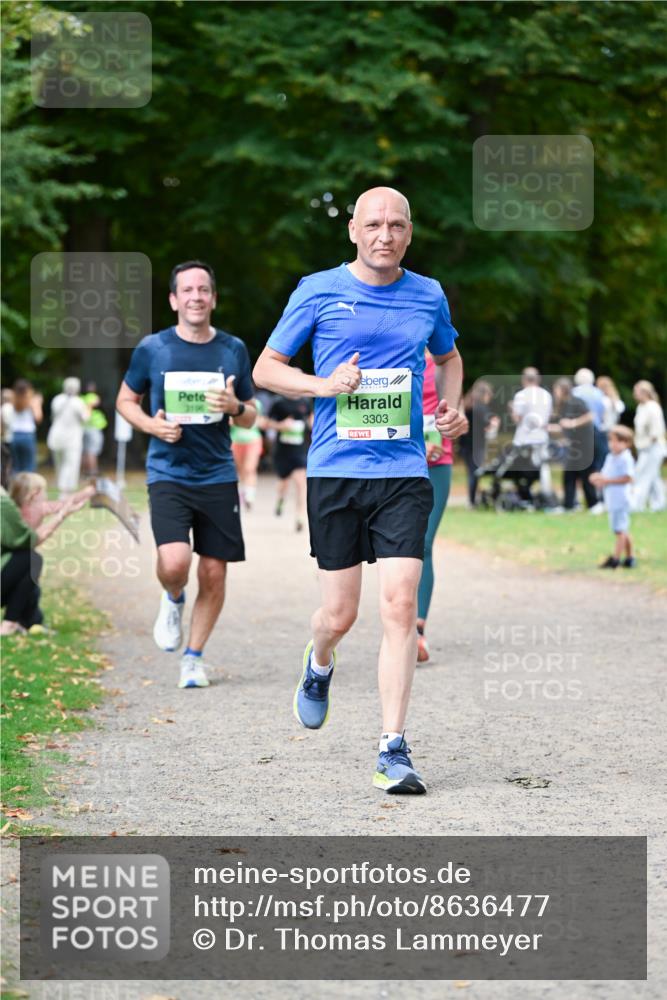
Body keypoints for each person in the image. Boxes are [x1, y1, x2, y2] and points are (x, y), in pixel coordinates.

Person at [253, 186, 466, 794]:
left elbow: (449, 356)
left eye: (397, 225)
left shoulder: (428, 293)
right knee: (339, 614)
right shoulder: (317, 289)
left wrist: (448, 407)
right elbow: (266, 368)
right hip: (335, 470)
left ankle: (392, 748)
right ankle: (319, 663)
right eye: (374, 224)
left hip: (403, 470)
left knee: (399, 605)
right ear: (353, 229)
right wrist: (324, 385)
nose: (385, 235)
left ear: (409, 232)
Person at [116, 260, 257, 689]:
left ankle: (193, 657)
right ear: (174, 299)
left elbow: (251, 416)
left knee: (214, 572)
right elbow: (125, 400)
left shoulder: (232, 349)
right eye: (188, 290)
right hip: (168, 471)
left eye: (204, 290)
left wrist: (234, 409)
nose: (196, 297)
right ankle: (173, 597)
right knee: (174, 562)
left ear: (213, 298)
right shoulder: (153, 349)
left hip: (216, 473)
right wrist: (151, 425)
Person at [1, 471, 93, 636]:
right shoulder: (13, 508)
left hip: (10, 565)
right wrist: (67, 511)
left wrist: (84, 495)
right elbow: (32, 540)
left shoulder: (16, 506)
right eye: (44, 491)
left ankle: (30, 622)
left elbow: (64, 503)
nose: (46, 495)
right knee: (31, 561)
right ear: (35, 493)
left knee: (31, 582)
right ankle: (11, 624)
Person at [415, 351, 454, 663]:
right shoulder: (395, 353)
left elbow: (458, 415)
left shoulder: (446, 361)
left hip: (439, 462)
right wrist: (418, 441)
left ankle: (417, 631)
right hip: (401, 458)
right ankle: (398, 621)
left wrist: (455, 425)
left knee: (424, 543)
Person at [589, 426, 635, 568]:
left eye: (617, 442)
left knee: (619, 530)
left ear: (626, 443)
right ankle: (630, 558)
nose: (613, 444)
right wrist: (597, 477)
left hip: (621, 499)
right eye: (611, 441)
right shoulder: (610, 457)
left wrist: (607, 481)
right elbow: (606, 474)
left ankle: (615, 559)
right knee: (623, 529)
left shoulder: (625, 458)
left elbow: (628, 478)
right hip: (612, 499)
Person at [267, 394, 313, 532]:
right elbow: (266, 422)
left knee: (301, 483)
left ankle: (300, 517)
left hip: (300, 451)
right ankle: (280, 500)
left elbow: (312, 418)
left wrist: (312, 424)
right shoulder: (278, 402)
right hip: (282, 451)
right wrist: (280, 425)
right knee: (283, 483)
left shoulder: (305, 401)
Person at [548, 378, 595, 510]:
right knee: (570, 474)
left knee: (584, 474)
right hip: (573, 445)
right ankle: (569, 505)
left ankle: (593, 504)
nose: (554, 392)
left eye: (556, 389)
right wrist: (549, 427)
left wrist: (573, 423)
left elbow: (590, 416)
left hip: (584, 444)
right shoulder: (564, 405)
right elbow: (564, 426)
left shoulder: (576, 401)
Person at [458, 380, 499, 507]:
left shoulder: (467, 406)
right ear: (484, 394)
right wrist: (495, 422)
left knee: (471, 472)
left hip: (465, 445)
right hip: (477, 446)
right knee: (475, 473)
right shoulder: (481, 407)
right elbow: (488, 423)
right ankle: (472, 501)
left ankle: (472, 499)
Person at [47, 378, 90, 496]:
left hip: (55, 437)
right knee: (70, 465)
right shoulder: (78, 402)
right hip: (72, 439)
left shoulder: (57, 399)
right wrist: (90, 406)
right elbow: (85, 418)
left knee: (60, 464)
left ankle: (64, 490)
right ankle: (65, 491)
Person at [630, 380, 666, 512]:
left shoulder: (653, 407)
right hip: (643, 447)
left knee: (642, 475)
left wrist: (646, 445)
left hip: (653, 448)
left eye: (636, 391)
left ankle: (637, 504)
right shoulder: (641, 407)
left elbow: (656, 432)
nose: (634, 394)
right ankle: (660, 504)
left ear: (644, 392)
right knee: (654, 477)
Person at [573, 368, 608, 497]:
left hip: (580, 434)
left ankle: (589, 498)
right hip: (597, 433)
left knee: (583, 467)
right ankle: (600, 497)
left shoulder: (575, 393)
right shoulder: (598, 393)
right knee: (598, 465)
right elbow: (603, 414)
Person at [231, 397, 264, 511]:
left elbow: (259, 420)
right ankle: (242, 493)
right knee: (240, 471)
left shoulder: (256, 403)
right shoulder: (232, 401)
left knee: (250, 468)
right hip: (236, 440)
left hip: (253, 440)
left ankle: (249, 496)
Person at [10, 379, 43, 473]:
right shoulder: (32, 401)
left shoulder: (13, 400)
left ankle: (16, 487)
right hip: (27, 435)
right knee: (29, 466)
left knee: (16, 467)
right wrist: (38, 404)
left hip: (14, 435)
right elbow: (38, 418)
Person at [81, 381, 108, 477]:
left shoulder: (81, 398)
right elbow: (94, 404)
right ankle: (93, 472)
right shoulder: (93, 397)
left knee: (85, 451)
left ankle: (84, 472)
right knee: (92, 451)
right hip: (93, 428)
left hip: (84, 428)